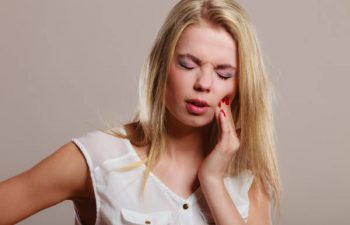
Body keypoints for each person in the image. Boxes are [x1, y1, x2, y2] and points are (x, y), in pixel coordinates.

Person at [0, 0, 282, 224]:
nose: (204, 84)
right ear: (162, 66)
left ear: (240, 84)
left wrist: (212, 181)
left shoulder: (247, 177)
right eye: (187, 64)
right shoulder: (101, 158)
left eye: (223, 73)